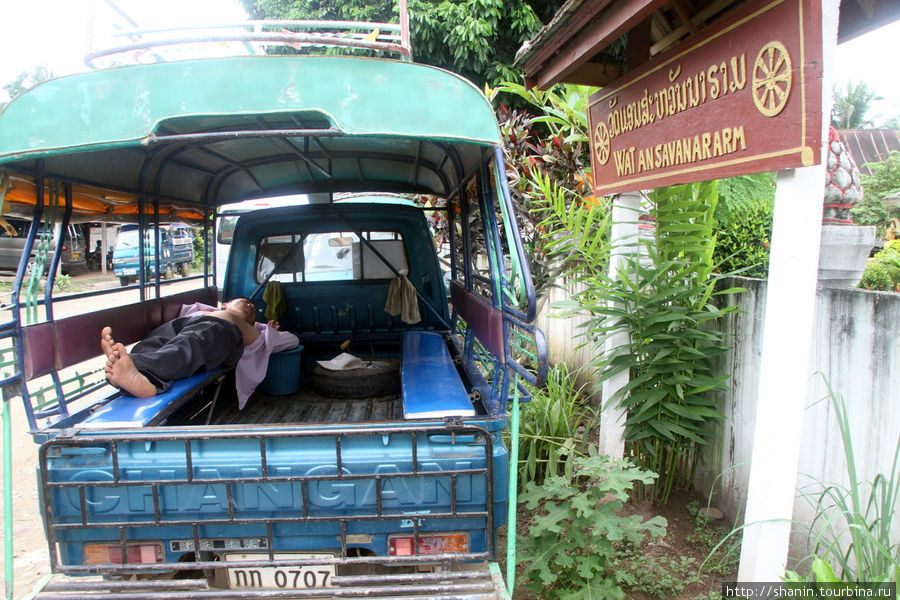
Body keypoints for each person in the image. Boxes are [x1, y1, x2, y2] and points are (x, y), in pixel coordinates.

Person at [102, 297, 298, 408]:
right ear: (224, 304)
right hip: (183, 325)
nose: (251, 306)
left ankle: (137, 369)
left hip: (223, 333)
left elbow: (293, 340)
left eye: (253, 308)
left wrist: (271, 331)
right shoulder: (197, 309)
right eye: (245, 302)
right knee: (152, 344)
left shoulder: (259, 330)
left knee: (193, 342)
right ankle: (134, 371)